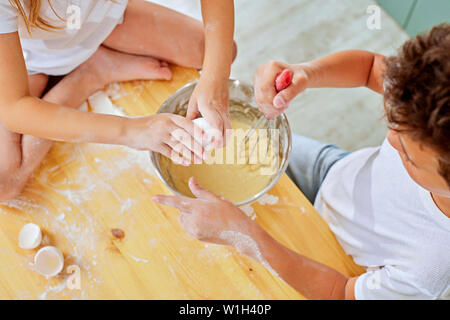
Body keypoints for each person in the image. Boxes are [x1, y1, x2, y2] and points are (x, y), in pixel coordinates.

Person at [153, 24, 450, 299]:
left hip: (334, 256)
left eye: (409, 156)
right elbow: (371, 68)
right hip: (331, 171)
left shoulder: (429, 267)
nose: (390, 141)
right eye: (395, 125)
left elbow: (340, 291)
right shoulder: (430, 91)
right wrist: (307, 73)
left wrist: (245, 235)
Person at [0, 0, 236, 202]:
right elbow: (13, 108)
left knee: (215, 50)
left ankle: (95, 63)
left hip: (101, 23)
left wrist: (215, 77)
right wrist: (134, 131)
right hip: (28, 63)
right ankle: (92, 74)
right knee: (6, 182)